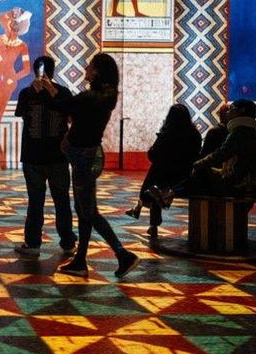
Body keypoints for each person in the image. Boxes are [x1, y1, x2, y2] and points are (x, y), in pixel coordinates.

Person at [58, 54, 140, 279]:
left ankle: (123, 254)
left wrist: (49, 89)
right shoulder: (105, 97)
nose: (86, 68)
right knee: (84, 210)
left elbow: (65, 104)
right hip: (88, 154)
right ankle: (80, 260)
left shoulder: (92, 97)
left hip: (83, 157)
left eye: (90, 66)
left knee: (89, 211)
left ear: (98, 72)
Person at [13, 55, 75, 259]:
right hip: (56, 157)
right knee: (61, 200)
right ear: (54, 70)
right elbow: (69, 114)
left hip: (34, 157)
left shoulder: (29, 92)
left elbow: (21, 113)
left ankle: (32, 243)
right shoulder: (62, 92)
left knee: (36, 201)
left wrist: (42, 92)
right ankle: (67, 243)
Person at [126, 104, 201, 238]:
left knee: (153, 186)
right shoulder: (194, 134)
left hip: (163, 174)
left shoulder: (167, 134)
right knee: (156, 184)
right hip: (183, 174)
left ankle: (152, 224)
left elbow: (154, 155)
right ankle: (141, 214)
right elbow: (196, 154)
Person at [0, 7, 33, 169]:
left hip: (6, 86)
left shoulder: (22, 45)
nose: (9, 23)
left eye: (13, 22)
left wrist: (13, 79)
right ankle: (0, 163)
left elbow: (26, 69)